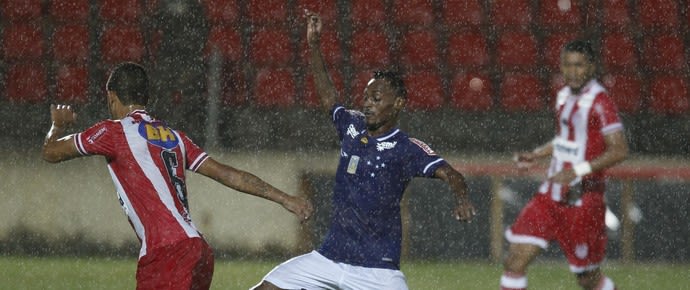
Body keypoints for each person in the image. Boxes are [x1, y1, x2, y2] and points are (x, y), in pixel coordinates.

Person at [252, 11, 477, 290]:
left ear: (398, 104)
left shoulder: (406, 147)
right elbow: (327, 96)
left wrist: (461, 197)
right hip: (328, 259)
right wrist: (314, 45)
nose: (367, 103)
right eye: (366, 97)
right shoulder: (352, 125)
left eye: (376, 98)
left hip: (377, 271)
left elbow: (451, 173)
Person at [42, 62, 313, 290]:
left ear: (111, 97)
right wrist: (285, 198)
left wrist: (57, 125)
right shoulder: (174, 137)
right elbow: (228, 174)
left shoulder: (114, 132)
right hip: (198, 250)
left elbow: (51, 152)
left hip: (166, 254)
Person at [500, 40, 629, 290]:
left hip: (582, 200)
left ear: (591, 67)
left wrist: (576, 172)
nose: (572, 71)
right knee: (514, 260)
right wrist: (536, 154)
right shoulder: (563, 95)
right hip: (550, 195)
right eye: (567, 65)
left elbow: (620, 149)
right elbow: (565, 139)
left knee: (587, 279)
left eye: (579, 65)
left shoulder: (600, 102)